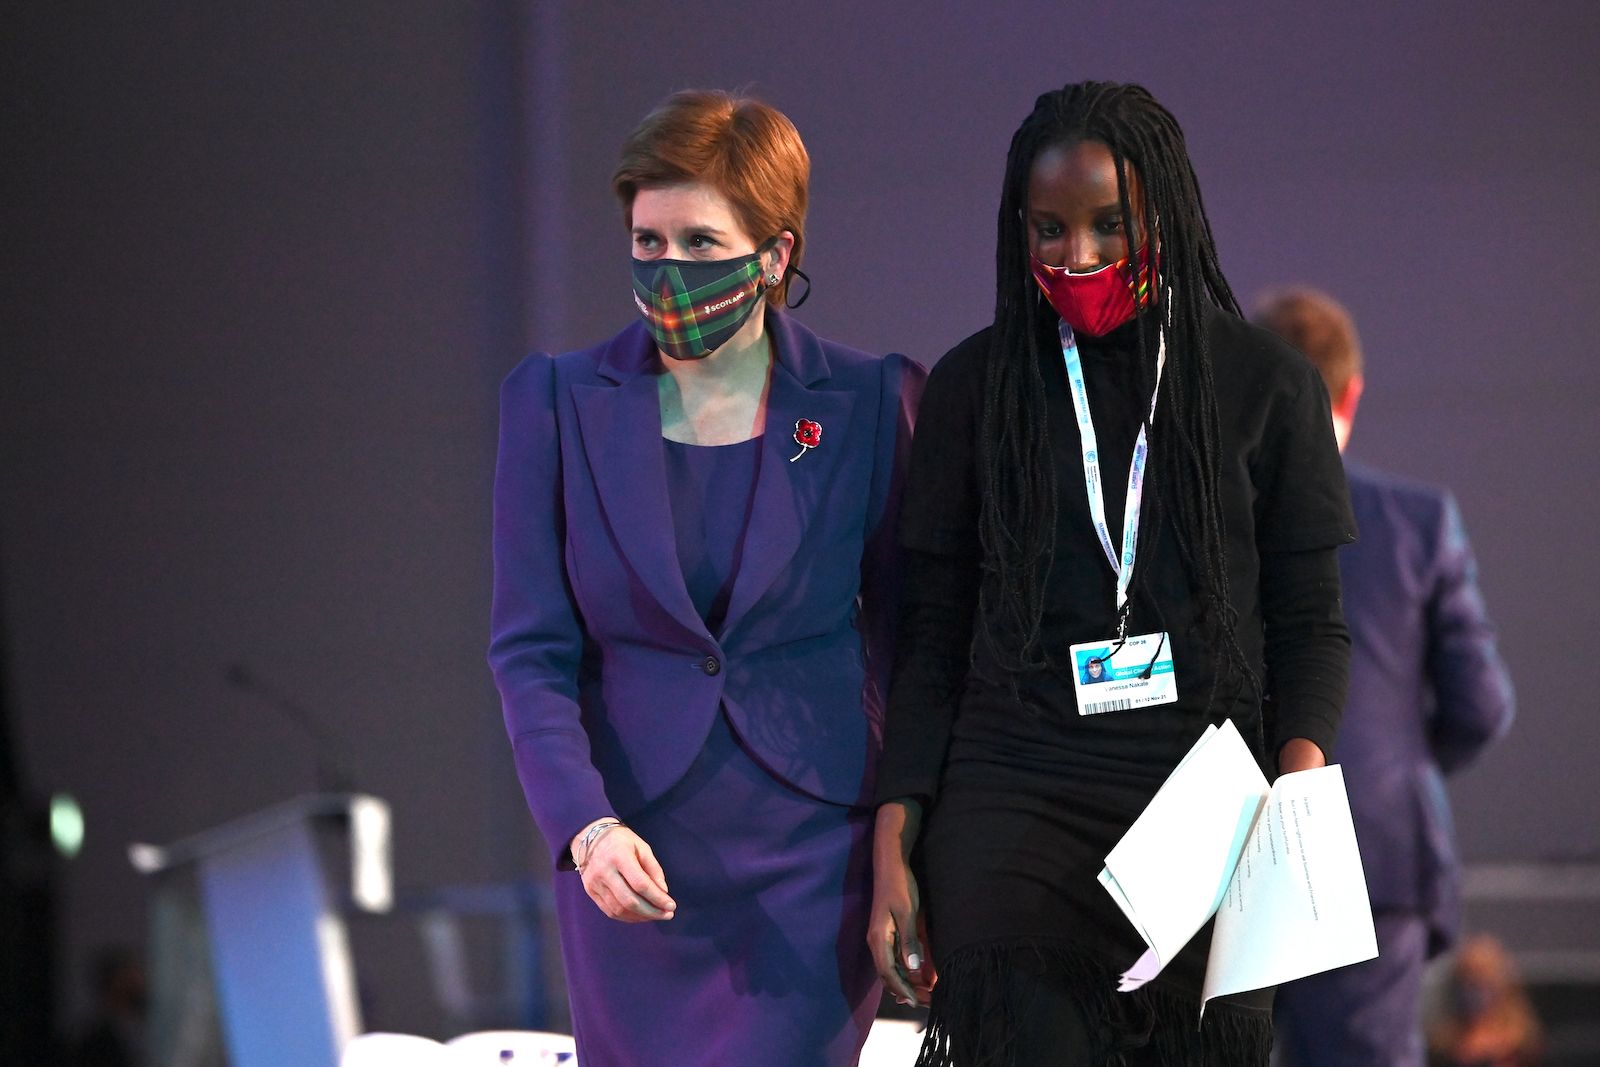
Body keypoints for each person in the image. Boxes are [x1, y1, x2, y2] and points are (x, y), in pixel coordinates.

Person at [869, 81, 1357, 1066]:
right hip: (1013, 806)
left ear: (1166, 216)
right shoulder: (972, 387)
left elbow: (1309, 623)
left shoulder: (1267, 386)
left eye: (1107, 226)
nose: (1076, 256)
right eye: (1046, 228)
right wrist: (894, 838)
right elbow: (932, 636)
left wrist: (1290, 798)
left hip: (1204, 804)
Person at [488, 90, 925, 1066]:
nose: (667, 271)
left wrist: (904, 844)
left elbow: (912, 641)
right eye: (647, 242)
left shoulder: (868, 399)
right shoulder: (555, 402)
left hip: (816, 861)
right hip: (628, 854)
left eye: (698, 242)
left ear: (774, 254)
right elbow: (530, 649)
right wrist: (583, 826)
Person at [1257, 289, 1516, 1067]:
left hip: (1229, 858)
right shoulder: (1419, 521)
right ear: (1353, 391)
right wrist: (1396, 760)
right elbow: (1483, 703)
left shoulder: (1211, 521)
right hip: (1376, 855)